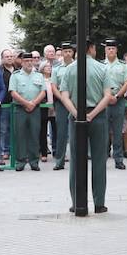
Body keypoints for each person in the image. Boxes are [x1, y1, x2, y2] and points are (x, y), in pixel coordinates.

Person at [60, 40, 114, 214]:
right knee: (99, 160)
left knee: (76, 160)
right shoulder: (102, 68)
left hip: (75, 117)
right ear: (91, 48)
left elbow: (64, 96)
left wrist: (76, 114)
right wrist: (92, 114)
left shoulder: (69, 69)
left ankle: (77, 202)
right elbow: (107, 96)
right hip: (97, 118)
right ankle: (99, 203)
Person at [9, 52, 47, 170]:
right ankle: (20, 161)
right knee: (20, 135)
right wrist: (26, 103)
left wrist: (33, 103)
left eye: (31, 61)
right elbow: (13, 92)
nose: (29, 63)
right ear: (22, 62)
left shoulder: (39, 76)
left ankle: (34, 161)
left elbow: (43, 92)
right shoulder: (15, 75)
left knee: (34, 135)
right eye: (26, 61)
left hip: (35, 109)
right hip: (20, 109)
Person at [102, 39, 127, 169]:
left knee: (118, 131)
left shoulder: (123, 66)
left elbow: (126, 83)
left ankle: (118, 159)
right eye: (108, 48)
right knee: (104, 131)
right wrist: (107, 97)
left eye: (113, 48)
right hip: (104, 101)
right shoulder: (101, 65)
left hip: (119, 100)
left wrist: (117, 96)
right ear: (105, 50)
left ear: (116, 50)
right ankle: (102, 157)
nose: (111, 50)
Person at [51, 42, 75, 170]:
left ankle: (77, 160)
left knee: (77, 131)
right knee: (61, 132)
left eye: (70, 51)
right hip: (61, 103)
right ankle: (59, 161)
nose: (67, 54)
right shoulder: (56, 68)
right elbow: (54, 86)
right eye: (65, 51)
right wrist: (63, 99)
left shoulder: (78, 66)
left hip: (75, 102)